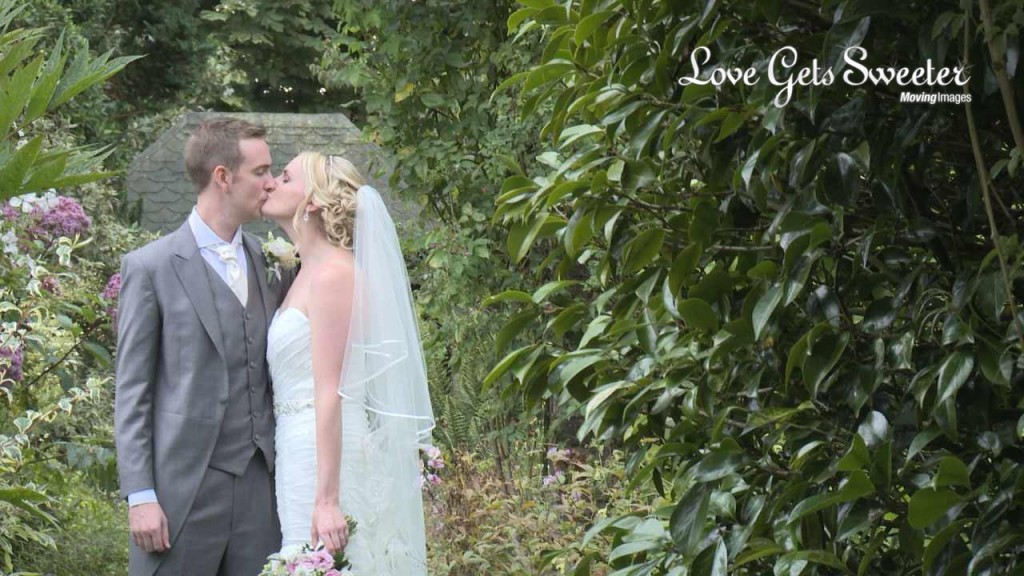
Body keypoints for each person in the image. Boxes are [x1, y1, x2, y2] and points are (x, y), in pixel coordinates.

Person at [114, 117, 290, 576]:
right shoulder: (150, 268)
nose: (271, 183)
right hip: (182, 493)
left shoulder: (270, 262)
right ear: (223, 177)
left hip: (261, 492)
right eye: (261, 171)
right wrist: (140, 495)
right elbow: (132, 392)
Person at [261, 151, 435, 573]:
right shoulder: (306, 271)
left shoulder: (334, 275)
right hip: (297, 450)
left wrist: (327, 499)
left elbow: (331, 392)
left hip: (326, 458)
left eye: (285, 178)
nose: (270, 183)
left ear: (314, 202)